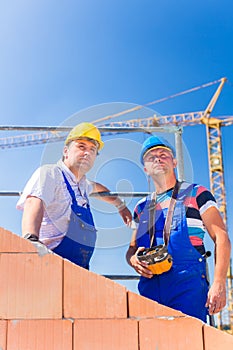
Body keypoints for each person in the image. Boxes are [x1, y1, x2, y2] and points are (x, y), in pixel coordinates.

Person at [126, 135, 231, 322]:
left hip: (188, 288)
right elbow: (131, 249)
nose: (158, 158)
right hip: (150, 289)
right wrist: (133, 259)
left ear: (174, 162)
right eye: (151, 157)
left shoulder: (197, 193)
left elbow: (221, 237)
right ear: (145, 169)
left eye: (163, 154)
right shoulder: (141, 207)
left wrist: (219, 283)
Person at [17, 122, 132, 270]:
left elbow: (101, 190)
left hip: (78, 269)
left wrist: (120, 205)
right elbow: (34, 201)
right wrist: (31, 240)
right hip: (48, 263)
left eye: (92, 149)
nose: (87, 153)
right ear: (66, 151)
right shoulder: (50, 173)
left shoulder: (83, 185)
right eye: (81, 146)